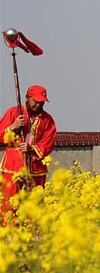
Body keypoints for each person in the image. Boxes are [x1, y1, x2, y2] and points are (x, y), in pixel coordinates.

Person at [1, 85, 57, 220]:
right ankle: (9, 235)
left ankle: (32, 235)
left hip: (36, 169)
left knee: (35, 206)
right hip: (13, 167)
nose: (38, 105)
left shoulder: (48, 120)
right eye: (35, 101)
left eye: (41, 102)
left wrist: (32, 148)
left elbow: (49, 142)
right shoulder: (13, 113)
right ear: (27, 98)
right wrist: (12, 127)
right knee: (9, 204)